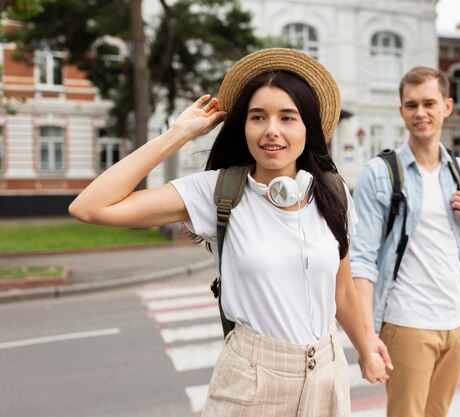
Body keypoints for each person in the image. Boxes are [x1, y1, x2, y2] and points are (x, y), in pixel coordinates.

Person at [69, 48, 387, 417]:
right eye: (258, 117)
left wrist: (366, 349)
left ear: (308, 128)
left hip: (327, 373)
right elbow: (89, 207)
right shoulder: (215, 191)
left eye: (288, 117)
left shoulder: (333, 192)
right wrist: (178, 134)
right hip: (252, 380)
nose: (272, 130)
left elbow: (343, 291)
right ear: (243, 126)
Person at [350, 66, 460, 417]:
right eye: (411, 105)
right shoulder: (379, 173)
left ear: (447, 106)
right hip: (407, 322)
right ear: (401, 110)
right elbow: (362, 260)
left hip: (457, 322)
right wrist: (367, 336)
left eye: (429, 103)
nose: (420, 113)